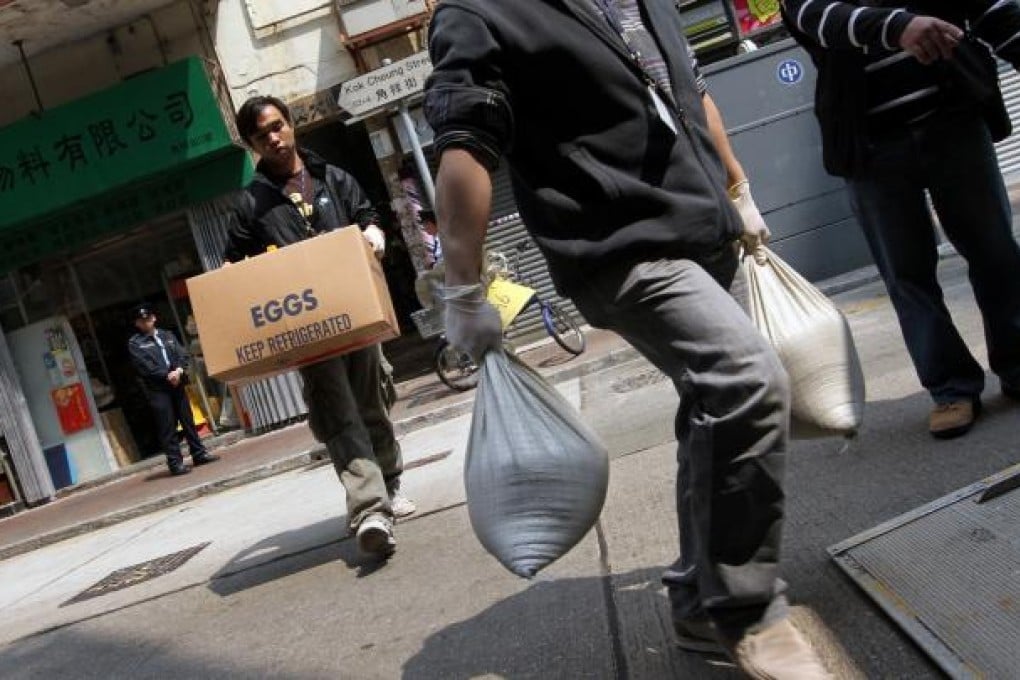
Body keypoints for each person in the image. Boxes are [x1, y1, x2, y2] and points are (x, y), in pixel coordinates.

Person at [425, 2, 830, 677]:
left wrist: (739, 189)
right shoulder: (481, 11)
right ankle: (746, 611)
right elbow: (465, 143)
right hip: (618, 250)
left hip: (705, 232)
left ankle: (699, 603)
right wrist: (462, 285)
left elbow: (688, 90)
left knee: (710, 411)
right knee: (746, 380)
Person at [781, 0, 1020, 439]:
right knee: (907, 274)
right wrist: (898, 27)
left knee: (997, 253)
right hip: (870, 144)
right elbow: (815, 16)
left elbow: (994, 11)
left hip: (955, 118)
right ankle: (951, 388)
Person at [225, 95, 415, 558]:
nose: (273, 137)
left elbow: (367, 215)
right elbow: (235, 264)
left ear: (291, 125)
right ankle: (369, 510)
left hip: (355, 316)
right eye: (261, 134)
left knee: (372, 403)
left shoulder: (332, 178)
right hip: (307, 332)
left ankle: (389, 481)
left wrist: (374, 234)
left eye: (277, 126)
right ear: (252, 144)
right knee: (338, 413)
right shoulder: (252, 203)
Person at [128, 303, 219, 476]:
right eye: (141, 320)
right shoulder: (136, 343)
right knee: (167, 426)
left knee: (188, 421)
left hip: (177, 384)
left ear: (153, 318)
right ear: (137, 324)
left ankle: (199, 454)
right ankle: (175, 463)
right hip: (158, 390)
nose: (145, 322)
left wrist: (178, 371)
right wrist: (167, 375)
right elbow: (145, 366)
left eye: (148, 318)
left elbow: (182, 354)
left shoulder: (167, 335)